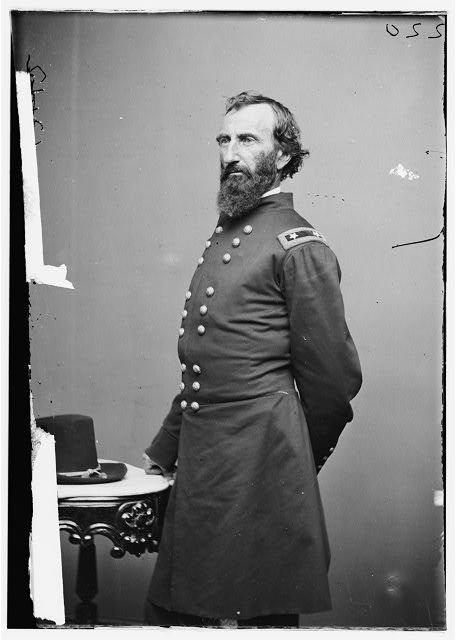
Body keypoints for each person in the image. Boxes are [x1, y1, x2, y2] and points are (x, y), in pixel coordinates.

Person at [143, 91, 362, 628]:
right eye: (224, 139)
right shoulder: (232, 231)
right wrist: (164, 452)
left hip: (260, 473)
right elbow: (209, 364)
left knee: (258, 624)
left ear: (283, 155)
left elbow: (333, 385)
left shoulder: (298, 245)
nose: (231, 152)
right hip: (204, 468)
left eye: (247, 139)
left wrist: (291, 460)